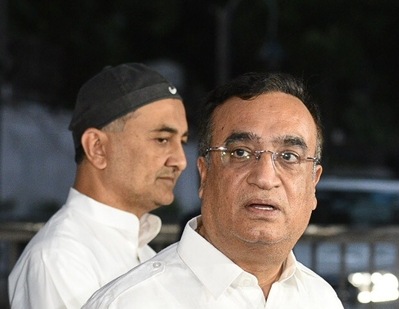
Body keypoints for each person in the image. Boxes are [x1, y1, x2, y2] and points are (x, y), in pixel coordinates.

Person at [83, 72, 344, 308]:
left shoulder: (320, 299)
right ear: (204, 174)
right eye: (241, 153)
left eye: (288, 156)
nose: (265, 178)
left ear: (313, 184)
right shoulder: (129, 303)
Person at [8, 63, 189, 309]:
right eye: (162, 139)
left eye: (182, 141)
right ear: (97, 147)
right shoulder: (60, 258)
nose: (180, 160)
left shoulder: (141, 250)